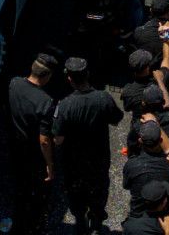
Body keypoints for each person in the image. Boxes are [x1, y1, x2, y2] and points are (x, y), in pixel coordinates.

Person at [50, 56, 122, 235]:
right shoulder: (104, 98)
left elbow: (58, 139)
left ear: (69, 79)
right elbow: (116, 119)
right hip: (99, 160)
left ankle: (80, 224)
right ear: (87, 74)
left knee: (76, 196)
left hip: (73, 164)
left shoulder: (64, 105)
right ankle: (96, 222)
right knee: (99, 192)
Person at [6, 53, 60, 232]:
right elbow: (44, 140)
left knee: (19, 179)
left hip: (15, 144)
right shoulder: (46, 102)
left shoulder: (14, 83)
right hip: (32, 151)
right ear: (47, 76)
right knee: (35, 186)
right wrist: (49, 164)